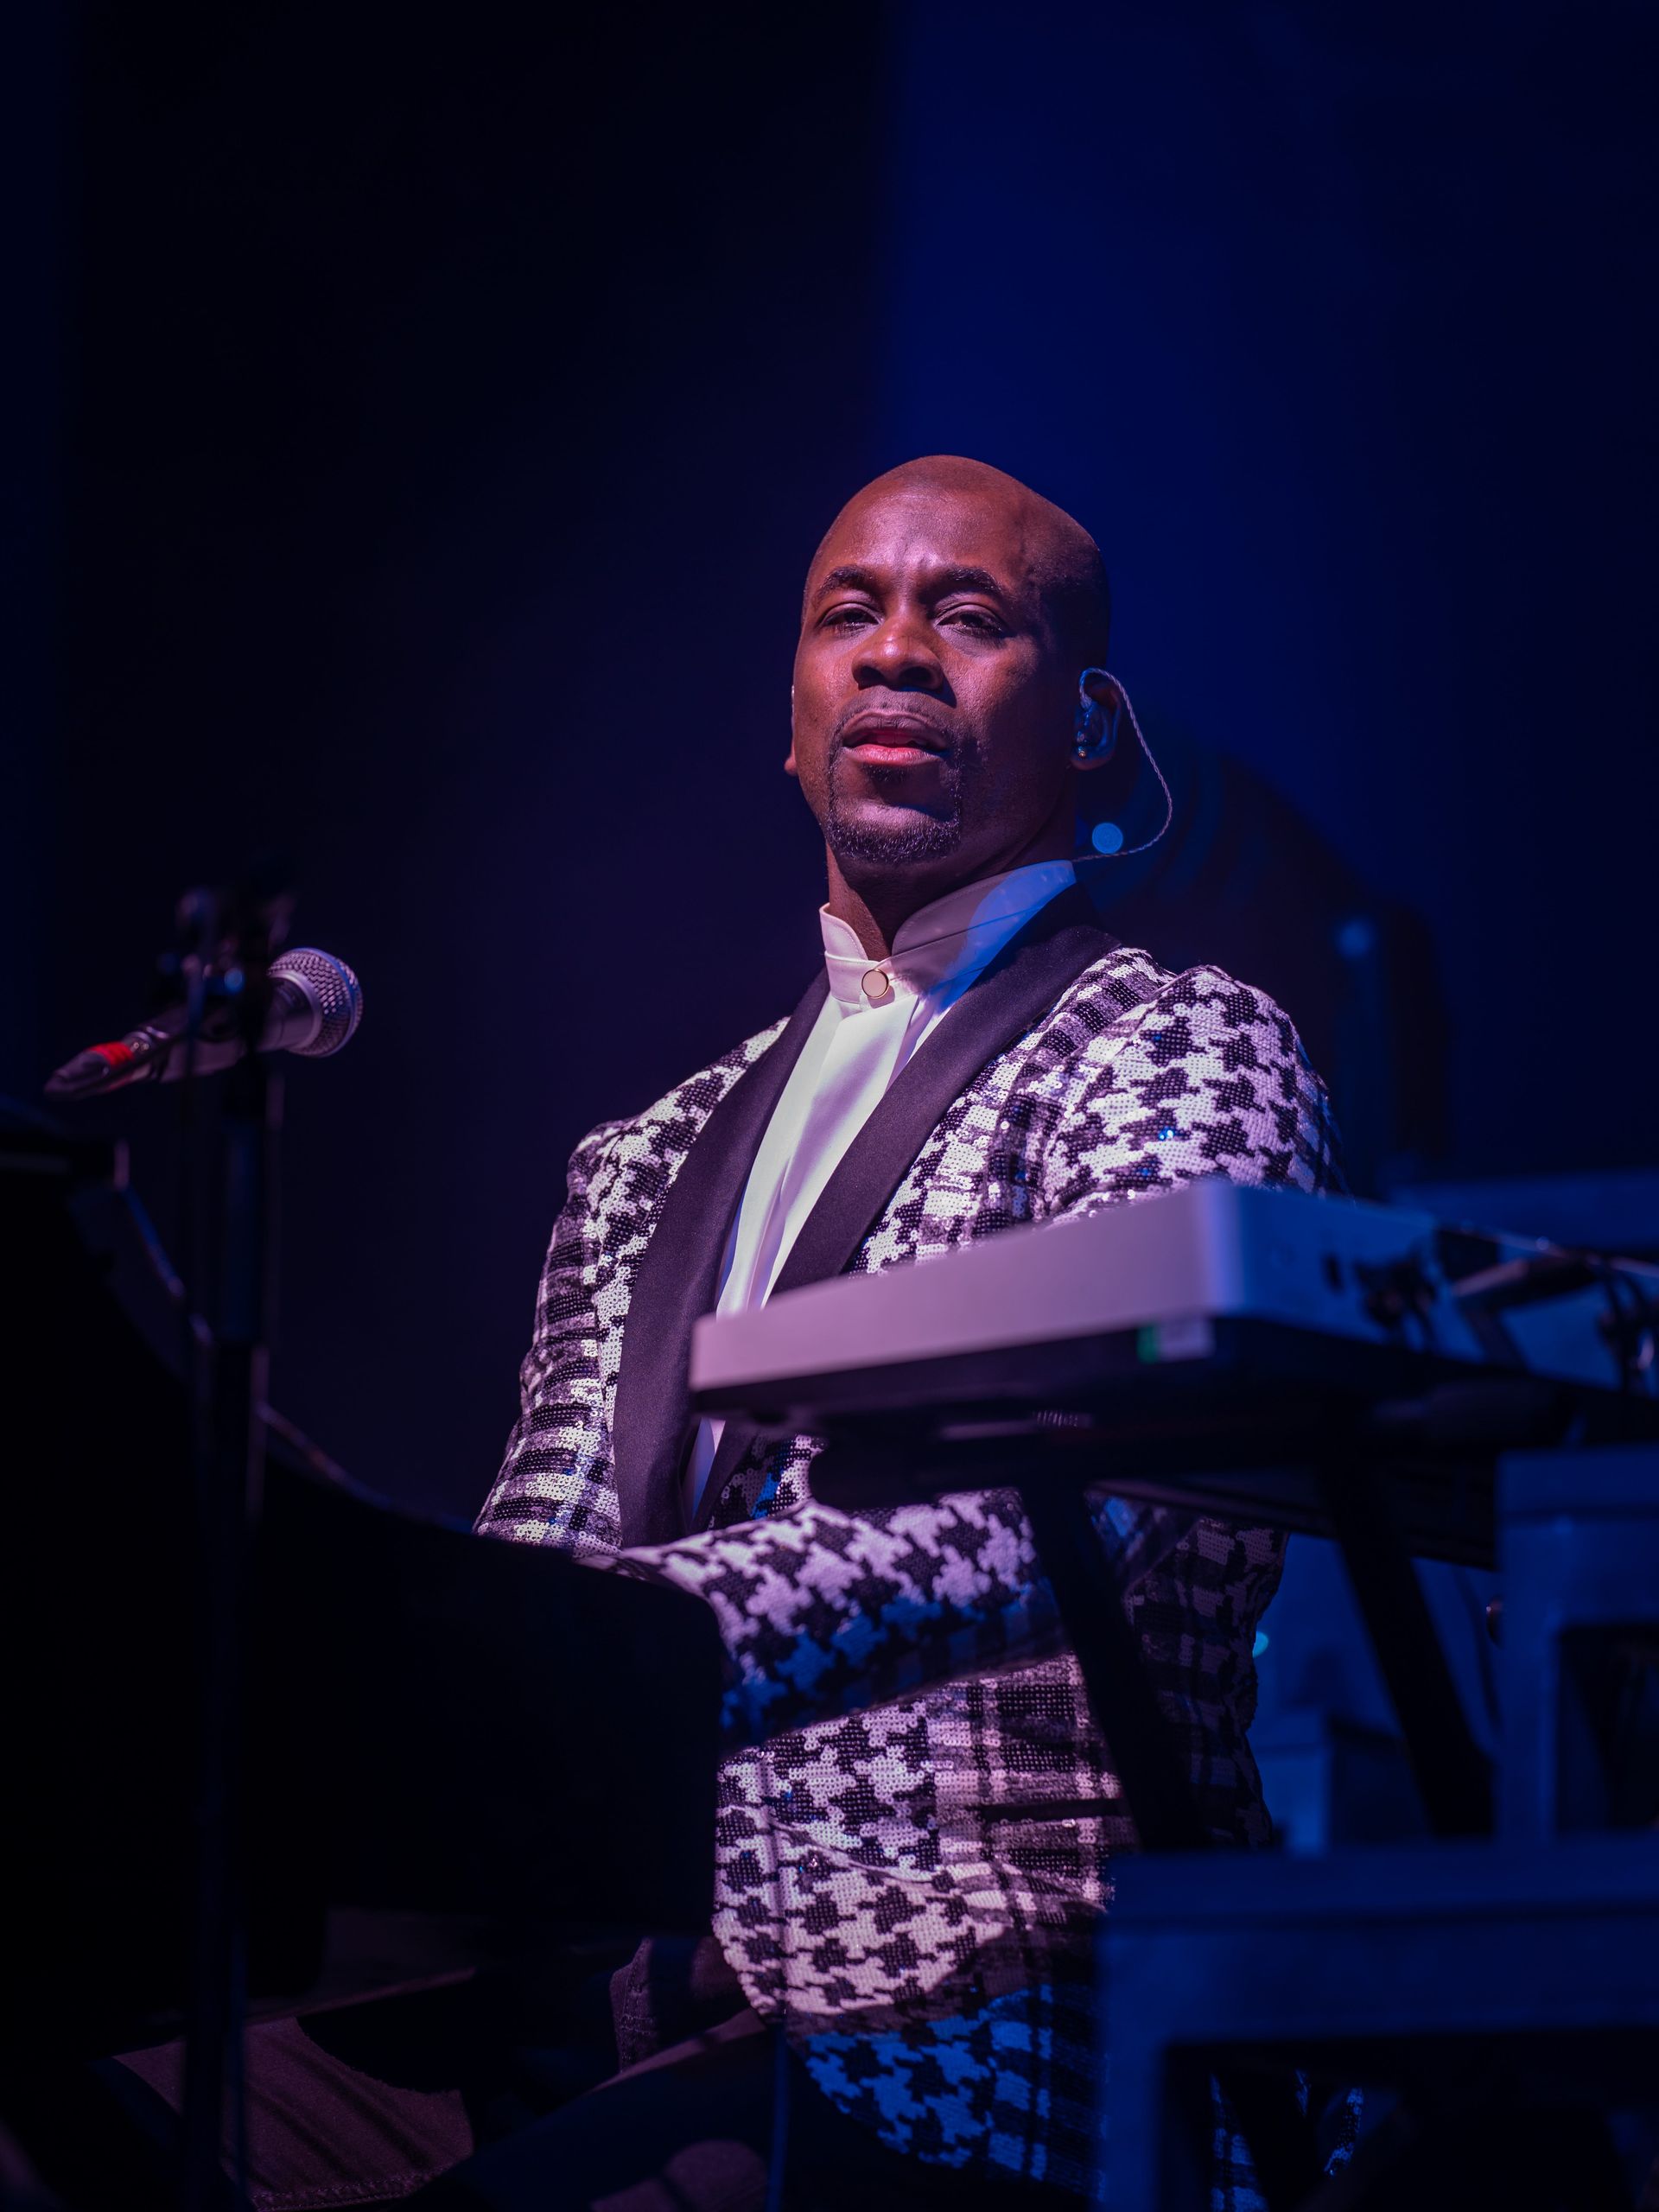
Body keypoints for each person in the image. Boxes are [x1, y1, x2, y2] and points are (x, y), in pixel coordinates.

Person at [423, 456, 1344, 2209]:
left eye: (970, 614)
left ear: (1089, 727)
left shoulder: (1178, 1045)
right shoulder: (639, 1155)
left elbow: (1081, 1507)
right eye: (851, 612)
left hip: (983, 1999)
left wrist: (624, 1633)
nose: (899, 648)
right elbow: (527, 1555)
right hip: (588, 1992)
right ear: (793, 720)